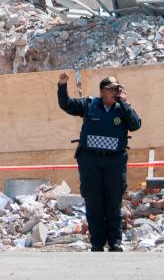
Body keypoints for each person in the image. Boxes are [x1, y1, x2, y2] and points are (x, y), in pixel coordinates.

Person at [57, 72, 142, 252]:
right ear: (102, 92)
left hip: (114, 161)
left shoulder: (122, 108)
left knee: (113, 201)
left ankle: (115, 242)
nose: (115, 93)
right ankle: (97, 242)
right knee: (94, 201)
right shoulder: (89, 104)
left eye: (117, 90)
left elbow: (135, 125)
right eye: (111, 90)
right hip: (91, 160)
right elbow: (66, 105)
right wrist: (62, 86)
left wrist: (125, 103)